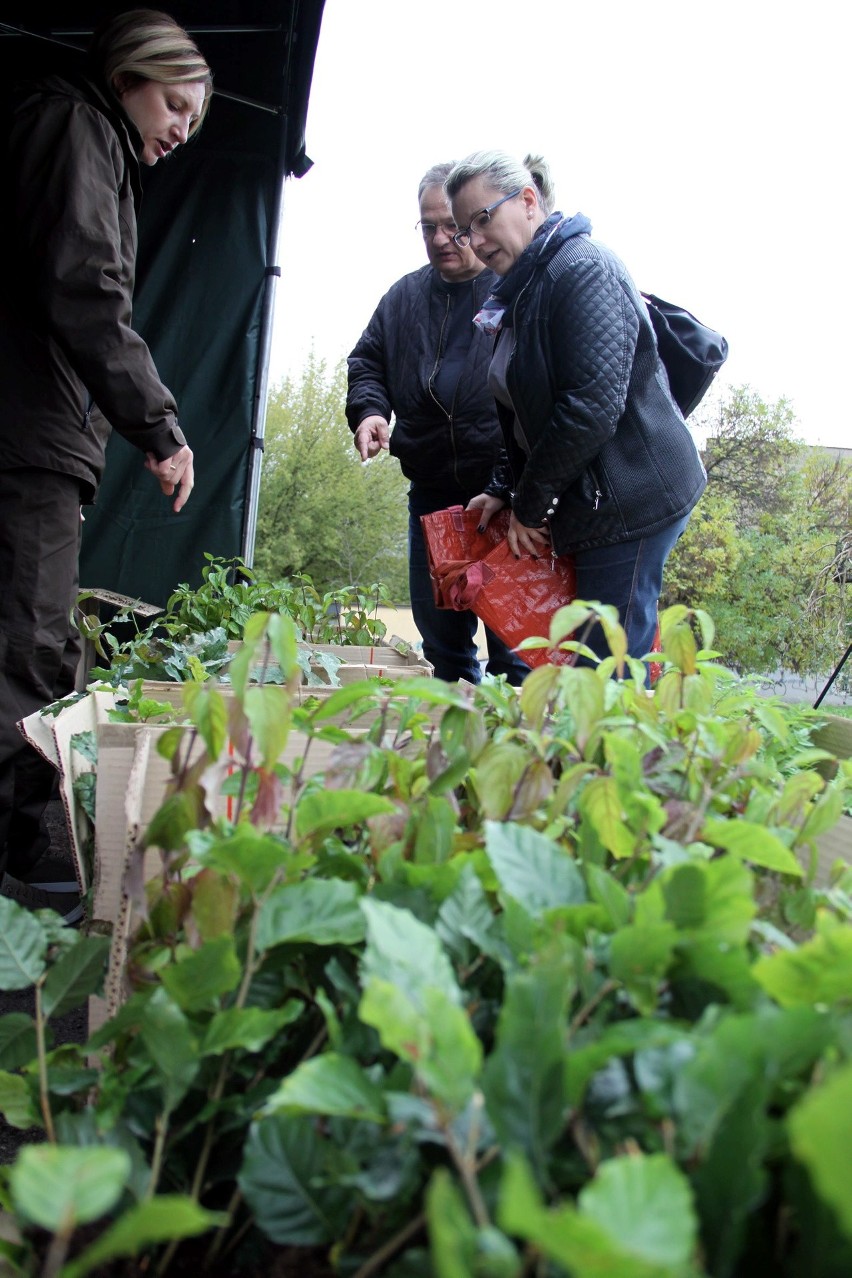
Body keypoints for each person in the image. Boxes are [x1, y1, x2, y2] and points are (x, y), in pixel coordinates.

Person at [0, 9, 212, 912]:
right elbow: (86, 286)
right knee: (25, 648)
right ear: (128, 74)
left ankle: (21, 852)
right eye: (173, 105)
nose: (177, 131)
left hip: (33, 433)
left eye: (193, 123)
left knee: (38, 644)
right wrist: (160, 427)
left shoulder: (79, 135)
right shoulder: (77, 126)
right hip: (25, 435)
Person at [444, 151, 707, 670]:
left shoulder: (582, 269)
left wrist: (528, 504)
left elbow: (589, 409)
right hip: (596, 499)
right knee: (596, 660)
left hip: (633, 499)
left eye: (481, 220)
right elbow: (527, 413)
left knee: (605, 667)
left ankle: (623, 752)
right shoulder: (524, 288)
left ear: (527, 201)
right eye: (462, 231)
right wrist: (504, 488)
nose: (473, 241)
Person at [346, 162, 529, 686]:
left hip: (504, 503)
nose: (442, 239)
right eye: (428, 227)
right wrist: (371, 410)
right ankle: (450, 756)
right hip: (433, 503)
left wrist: (512, 486)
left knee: (514, 653)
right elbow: (367, 363)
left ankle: (513, 763)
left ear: (476, 222)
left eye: (453, 225)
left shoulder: (513, 291)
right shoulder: (403, 299)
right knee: (443, 651)